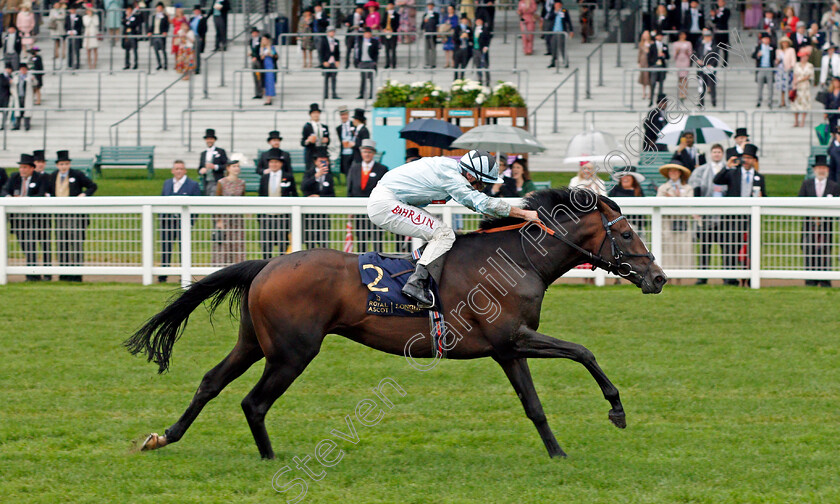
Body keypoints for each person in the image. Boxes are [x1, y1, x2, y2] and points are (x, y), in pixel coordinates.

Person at [367, 150, 540, 307]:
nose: (483, 188)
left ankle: (420, 275)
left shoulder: (453, 170)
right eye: (483, 184)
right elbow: (481, 203)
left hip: (392, 199)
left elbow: (475, 202)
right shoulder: (453, 178)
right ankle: (416, 284)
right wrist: (525, 214)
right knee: (443, 234)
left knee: (441, 233)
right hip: (386, 204)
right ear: (471, 176)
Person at [713, 144, 766, 283]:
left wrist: (761, 197)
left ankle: (748, 278)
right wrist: (727, 166)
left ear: (754, 160)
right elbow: (716, 180)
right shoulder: (733, 173)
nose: (747, 160)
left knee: (751, 246)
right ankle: (729, 278)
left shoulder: (759, 177)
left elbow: (765, 197)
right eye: (745, 158)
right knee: (731, 245)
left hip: (750, 217)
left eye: (749, 158)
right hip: (733, 216)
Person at [44, 150, 97, 282]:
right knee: (62, 243)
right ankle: (64, 272)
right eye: (61, 164)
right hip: (60, 215)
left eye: (66, 164)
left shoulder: (77, 174)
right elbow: (48, 190)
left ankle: (77, 273)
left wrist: (83, 195)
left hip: (75, 215)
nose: (64, 166)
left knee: (76, 243)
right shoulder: (53, 176)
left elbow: (92, 186)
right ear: (57, 165)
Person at [1, 153, 47, 281]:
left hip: (34, 218)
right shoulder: (14, 177)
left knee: (32, 245)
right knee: (25, 245)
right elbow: (4, 190)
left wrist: (24, 200)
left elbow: (41, 194)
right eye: (21, 167)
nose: (22, 170)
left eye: (25, 167)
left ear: (32, 168)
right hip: (18, 219)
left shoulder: (39, 178)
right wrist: (10, 198)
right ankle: (33, 273)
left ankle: (33, 275)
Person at [688, 143, 728, 284]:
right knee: (705, 246)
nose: (716, 154)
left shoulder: (728, 169)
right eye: (714, 152)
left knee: (726, 246)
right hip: (706, 215)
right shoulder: (702, 170)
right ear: (711, 154)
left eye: (719, 152)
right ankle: (703, 275)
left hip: (724, 215)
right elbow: (695, 189)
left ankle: (727, 276)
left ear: (722, 154)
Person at [799, 155, 840, 286]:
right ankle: (810, 279)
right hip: (809, 225)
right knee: (809, 251)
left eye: (823, 168)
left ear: (827, 170)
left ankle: (825, 279)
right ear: (815, 169)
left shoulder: (834, 186)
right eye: (819, 167)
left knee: (825, 252)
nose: (821, 170)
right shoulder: (807, 184)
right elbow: (799, 201)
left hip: (826, 226)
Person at [158, 160, 201, 283]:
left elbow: (196, 206)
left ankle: (184, 276)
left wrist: (191, 222)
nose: (179, 171)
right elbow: (162, 200)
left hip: (184, 223)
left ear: (185, 170)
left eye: (181, 169)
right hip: (167, 222)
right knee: (166, 248)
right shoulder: (167, 184)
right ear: (172, 171)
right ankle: (163, 275)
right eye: (176, 169)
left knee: (184, 248)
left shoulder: (193, 185)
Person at [346, 139, 388, 252]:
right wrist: (350, 208)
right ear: (361, 153)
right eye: (365, 152)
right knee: (361, 237)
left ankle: (379, 261)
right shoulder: (354, 168)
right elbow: (350, 189)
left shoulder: (382, 169)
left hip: (376, 209)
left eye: (369, 152)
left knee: (377, 237)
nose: (367, 154)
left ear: (373, 154)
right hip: (359, 210)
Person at [258, 147, 297, 259]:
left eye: (276, 162)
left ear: (281, 163)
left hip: (282, 215)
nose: (273, 164)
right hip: (267, 215)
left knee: (282, 243)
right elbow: (261, 195)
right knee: (266, 244)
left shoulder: (288, 177)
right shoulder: (264, 177)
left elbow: (294, 195)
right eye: (271, 162)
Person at [657, 161, 694, 275]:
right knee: (669, 248)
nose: (673, 173)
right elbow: (659, 203)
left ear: (680, 173)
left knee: (684, 248)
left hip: (683, 222)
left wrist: (676, 197)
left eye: (676, 170)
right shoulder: (663, 188)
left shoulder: (687, 188)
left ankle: (685, 276)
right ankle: (669, 275)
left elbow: (689, 204)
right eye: (671, 170)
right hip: (668, 222)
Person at [211, 157, 245, 266]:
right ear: (228, 168)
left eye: (238, 166)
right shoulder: (221, 182)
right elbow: (217, 200)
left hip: (237, 218)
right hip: (225, 217)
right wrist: (219, 220)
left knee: (237, 244)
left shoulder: (242, 183)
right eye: (234, 166)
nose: (236, 168)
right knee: (223, 246)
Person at [302, 147, 335, 249]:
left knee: (323, 240)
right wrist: (316, 176)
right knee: (310, 240)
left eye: (325, 161)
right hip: (310, 213)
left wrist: (320, 197)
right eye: (321, 161)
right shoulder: (309, 173)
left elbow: (332, 195)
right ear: (315, 162)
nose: (323, 163)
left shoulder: (329, 176)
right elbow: (303, 187)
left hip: (323, 213)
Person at [198, 128, 227, 196]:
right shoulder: (203, 153)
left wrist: (215, 167)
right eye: (208, 139)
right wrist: (201, 171)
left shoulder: (220, 151)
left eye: (211, 139)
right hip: (206, 181)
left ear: (214, 140)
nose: (209, 141)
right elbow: (199, 167)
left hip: (216, 180)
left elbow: (226, 165)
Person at [301, 102, 330, 170]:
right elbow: (303, 142)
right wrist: (308, 141)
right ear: (310, 114)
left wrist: (327, 140)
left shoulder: (324, 126)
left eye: (317, 113)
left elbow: (328, 139)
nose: (316, 115)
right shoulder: (307, 127)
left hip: (322, 152)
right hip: (312, 153)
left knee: (324, 170)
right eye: (314, 113)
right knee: (311, 172)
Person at [791, 46, 814, 127]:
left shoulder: (810, 65)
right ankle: (796, 121)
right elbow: (794, 75)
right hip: (797, 86)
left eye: (806, 56)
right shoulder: (796, 65)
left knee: (805, 103)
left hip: (805, 86)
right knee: (796, 104)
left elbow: (808, 76)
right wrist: (794, 84)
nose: (804, 57)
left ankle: (802, 121)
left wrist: (799, 80)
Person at [695, 28, 718, 108]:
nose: (706, 38)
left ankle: (713, 101)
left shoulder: (714, 47)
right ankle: (701, 102)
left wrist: (710, 64)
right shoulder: (701, 45)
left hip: (709, 68)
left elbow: (716, 58)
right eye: (705, 36)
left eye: (708, 36)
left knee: (711, 85)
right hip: (701, 68)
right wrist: (698, 60)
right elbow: (697, 54)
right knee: (701, 86)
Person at [547, 0, 573, 69]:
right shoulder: (552, 11)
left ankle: (565, 61)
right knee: (553, 47)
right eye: (556, 5)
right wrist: (555, 12)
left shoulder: (564, 11)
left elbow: (568, 21)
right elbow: (549, 18)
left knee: (562, 47)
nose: (557, 6)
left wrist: (571, 30)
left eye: (558, 5)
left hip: (561, 32)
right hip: (554, 32)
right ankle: (553, 62)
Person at [354, 27, 379, 99]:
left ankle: (371, 94)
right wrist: (357, 61)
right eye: (366, 33)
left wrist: (375, 61)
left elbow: (376, 53)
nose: (367, 35)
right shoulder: (360, 41)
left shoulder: (374, 41)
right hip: (363, 62)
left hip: (371, 62)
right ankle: (362, 94)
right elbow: (357, 52)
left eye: (368, 33)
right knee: (363, 79)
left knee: (371, 79)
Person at [753, 33, 776, 108]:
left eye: (767, 38)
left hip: (769, 68)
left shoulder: (772, 47)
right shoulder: (759, 47)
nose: (766, 40)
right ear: (762, 40)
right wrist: (758, 55)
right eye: (764, 38)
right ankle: (759, 101)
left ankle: (770, 101)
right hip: (761, 68)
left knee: (770, 87)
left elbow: (775, 57)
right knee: (760, 86)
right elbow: (753, 55)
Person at [318, 25, 340, 100]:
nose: (332, 33)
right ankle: (326, 94)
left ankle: (334, 93)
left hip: (333, 61)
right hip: (327, 61)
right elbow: (321, 52)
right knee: (326, 79)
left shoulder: (336, 41)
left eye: (333, 32)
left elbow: (337, 52)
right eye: (330, 32)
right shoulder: (323, 40)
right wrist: (323, 61)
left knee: (334, 78)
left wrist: (337, 60)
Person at [11, 62, 34, 131]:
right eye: (22, 69)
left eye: (24, 69)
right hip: (18, 96)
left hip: (26, 97)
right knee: (18, 112)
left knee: (27, 112)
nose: (23, 71)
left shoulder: (30, 77)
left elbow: (36, 83)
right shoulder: (16, 77)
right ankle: (17, 125)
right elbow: (13, 86)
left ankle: (27, 125)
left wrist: (33, 80)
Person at [648, 30, 668, 105]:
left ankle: (659, 101)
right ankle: (651, 100)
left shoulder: (665, 46)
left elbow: (668, 56)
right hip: (654, 66)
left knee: (661, 85)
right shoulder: (652, 46)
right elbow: (649, 56)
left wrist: (664, 55)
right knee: (653, 83)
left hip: (662, 66)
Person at [775, 36, 795, 108]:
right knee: (781, 87)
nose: (784, 44)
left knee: (788, 86)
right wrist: (777, 60)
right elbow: (777, 61)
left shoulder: (791, 50)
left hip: (788, 70)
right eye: (783, 42)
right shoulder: (778, 51)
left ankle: (788, 101)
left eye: (786, 42)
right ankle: (782, 101)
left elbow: (793, 60)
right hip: (780, 70)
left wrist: (791, 66)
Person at [147, 2, 168, 71]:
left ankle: (165, 64)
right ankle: (159, 64)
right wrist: (149, 32)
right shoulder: (154, 16)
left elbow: (166, 25)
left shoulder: (165, 16)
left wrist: (165, 31)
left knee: (163, 50)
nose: (159, 9)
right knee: (156, 50)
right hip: (154, 34)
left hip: (161, 34)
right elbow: (151, 25)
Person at [673, 31, 693, 100]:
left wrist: (687, 52)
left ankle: (685, 91)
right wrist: (677, 51)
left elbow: (690, 53)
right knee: (680, 77)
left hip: (685, 60)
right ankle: (680, 92)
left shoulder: (688, 43)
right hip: (679, 60)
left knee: (685, 77)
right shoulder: (676, 43)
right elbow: (674, 55)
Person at [336, 105, 355, 175]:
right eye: (342, 115)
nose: (344, 117)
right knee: (346, 171)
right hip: (344, 153)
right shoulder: (339, 128)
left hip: (353, 152)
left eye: (345, 115)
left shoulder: (353, 125)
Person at [472, 15, 491, 85]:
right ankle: (479, 79)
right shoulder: (474, 29)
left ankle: (488, 80)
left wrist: (486, 46)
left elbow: (488, 39)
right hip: (475, 49)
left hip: (482, 49)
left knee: (485, 65)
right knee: (477, 65)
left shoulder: (485, 29)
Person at [258, 34, 277, 105]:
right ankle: (265, 94)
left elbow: (274, 54)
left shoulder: (271, 47)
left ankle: (269, 98)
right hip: (263, 66)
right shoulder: (261, 48)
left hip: (270, 65)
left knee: (270, 81)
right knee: (264, 81)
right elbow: (260, 57)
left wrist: (269, 53)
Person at [453, 14, 472, 80]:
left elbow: (471, 39)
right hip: (458, 48)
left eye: (466, 20)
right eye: (463, 19)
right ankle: (455, 79)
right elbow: (454, 38)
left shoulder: (469, 28)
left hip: (466, 49)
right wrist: (460, 38)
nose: (464, 21)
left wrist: (468, 37)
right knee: (456, 65)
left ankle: (462, 78)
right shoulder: (457, 28)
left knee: (464, 65)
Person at [380, 2, 399, 68]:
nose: (390, 6)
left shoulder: (396, 14)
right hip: (386, 32)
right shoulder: (385, 14)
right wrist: (384, 29)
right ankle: (387, 63)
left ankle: (393, 64)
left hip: (392, 33)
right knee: (387, 49)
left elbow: (397, 23)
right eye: (389, 5)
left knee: (393, 49)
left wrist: (393, 29)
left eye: (391, 5)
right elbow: (382, 22)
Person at [711, 0, 730, 64]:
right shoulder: (716, 10)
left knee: (724, 48)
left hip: (723, 31)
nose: (719, 3)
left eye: (721, 2)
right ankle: (715, 61)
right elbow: (714, 21)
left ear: (724, 2)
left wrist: (719, 14)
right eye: (718, 2)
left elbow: (724, 20)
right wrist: (713, 16)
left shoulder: (727, 11)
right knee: (716, 48)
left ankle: (725, 62)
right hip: (717, 31)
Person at [189, 6, 207, 74]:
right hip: (191, 36)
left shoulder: (202, 18)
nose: (196, 12)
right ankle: (191, 67)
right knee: (191, 53)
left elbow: (204, 29)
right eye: (195, 10)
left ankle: (197, 68)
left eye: (197, 10)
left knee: (196, 53)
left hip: (197, 36)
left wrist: (201, 37)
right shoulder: (192, 18)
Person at [421, 2, 439, 68]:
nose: (430, 7)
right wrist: (425, 21)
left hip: (433, 33)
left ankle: (433, 63)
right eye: (429, 5)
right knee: (426, 49)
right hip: (426, 33)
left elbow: (437, 23)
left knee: (433, 49)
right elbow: (422, 25)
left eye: (431, 6)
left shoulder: (436, 14)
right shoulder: (425, 14)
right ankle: (427, 63)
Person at [81, 4, 99, 68]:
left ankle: (95, 63)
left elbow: (96, 23)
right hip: (88, 34)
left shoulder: (95, 16)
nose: (89, 12)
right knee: (88, 51)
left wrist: (92, 17)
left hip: (94, 33)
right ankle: (89, 64)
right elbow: (86, 24)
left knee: (95, 50)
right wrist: (89, 17)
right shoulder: (85, 17)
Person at [638, 30, 652, 102]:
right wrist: (639, 62)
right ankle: (644, 92)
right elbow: (639, 53)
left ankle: (650, 93)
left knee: (649, 77)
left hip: (649, 61)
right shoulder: (641, 44)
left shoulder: (651, 43)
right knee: (643, 77)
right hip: (643, 61)